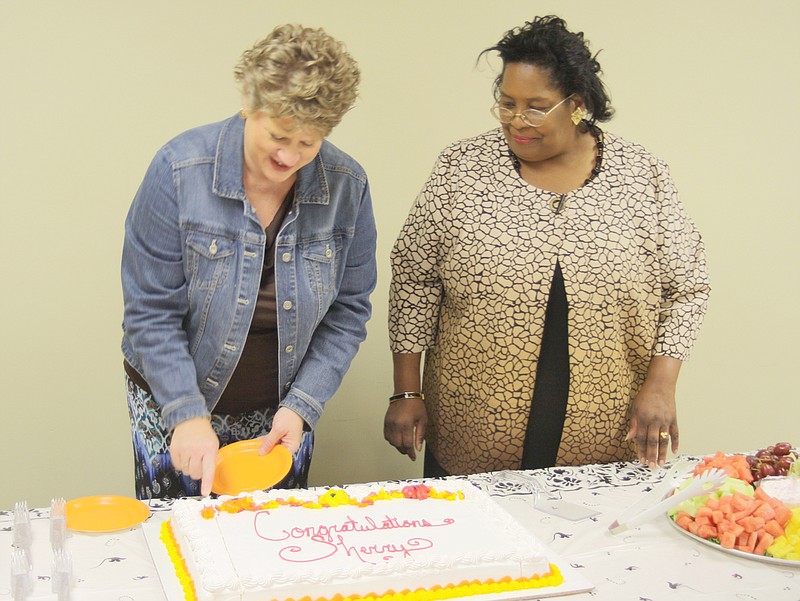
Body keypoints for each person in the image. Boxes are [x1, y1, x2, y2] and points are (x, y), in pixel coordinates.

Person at [384, 15, 710, 477]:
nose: (517, 121)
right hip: (473, 427)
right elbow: (415, 279)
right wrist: (406, 392)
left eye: (536, 107)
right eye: (507, 103)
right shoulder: (461, 167)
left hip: (604, 428)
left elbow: (689, 288)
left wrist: (662, 384)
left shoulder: (643, 175)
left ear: (576, 105)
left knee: (584, 543)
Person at [121, 24, 376, 499]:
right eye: (278, 134)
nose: (289, 155)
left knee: (270, 547)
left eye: (309, 142)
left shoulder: (348, 186)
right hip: (173, 396)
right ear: (248, 102)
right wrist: (186, 412)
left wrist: (302, 405)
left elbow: (348, 311)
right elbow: (149, 311)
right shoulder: (178, 170)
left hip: (281, 408)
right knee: (182, 542)